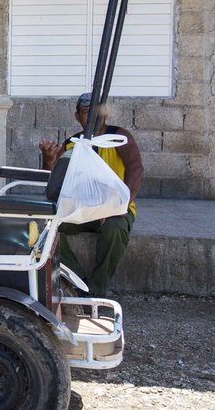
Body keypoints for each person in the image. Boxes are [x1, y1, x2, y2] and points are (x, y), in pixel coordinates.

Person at [39, 92, 143, 297]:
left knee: (116, 228)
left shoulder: (119, 138)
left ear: (106, 114)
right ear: (77, 116)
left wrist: (119, 206)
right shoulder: (72, 144)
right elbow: (53, 183)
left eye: (98, 112)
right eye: (87, 112)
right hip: (82, 210)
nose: (93, 117)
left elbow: (136, 170)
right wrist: (48, 158)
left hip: (116, 210)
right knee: (47, 226)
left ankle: (96, 289)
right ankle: (78, 281)